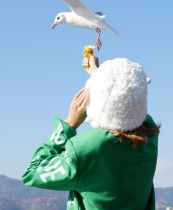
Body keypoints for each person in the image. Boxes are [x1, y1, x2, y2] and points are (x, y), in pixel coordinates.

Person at [22, 57, 159, 210]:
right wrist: (98, 75)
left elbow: (32, 172)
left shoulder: (84, 149)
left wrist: (69, 124)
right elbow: (129, 100)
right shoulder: (149, 133)